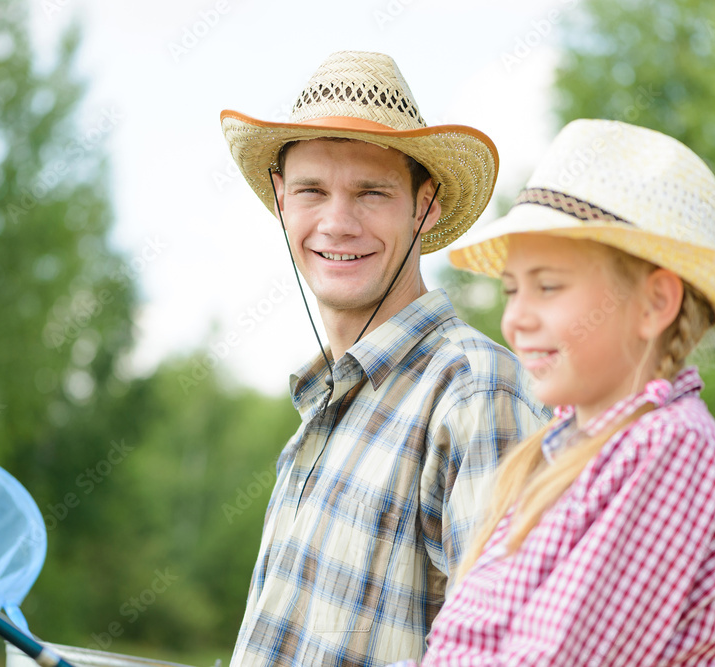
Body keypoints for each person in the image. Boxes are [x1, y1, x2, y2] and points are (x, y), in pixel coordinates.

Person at [390, 119, 715, 666]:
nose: (516, 318)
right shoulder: (550, 455)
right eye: (511, 289)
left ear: (654, 303)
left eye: (548, 286)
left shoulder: (677, 450)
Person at [219, 51, 549, 666]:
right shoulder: (324, 404)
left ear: (424, 207)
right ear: (281, 199)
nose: (337, 223)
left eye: (371, 192)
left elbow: (510, 654)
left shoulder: (475, 394)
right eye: (312, 190)